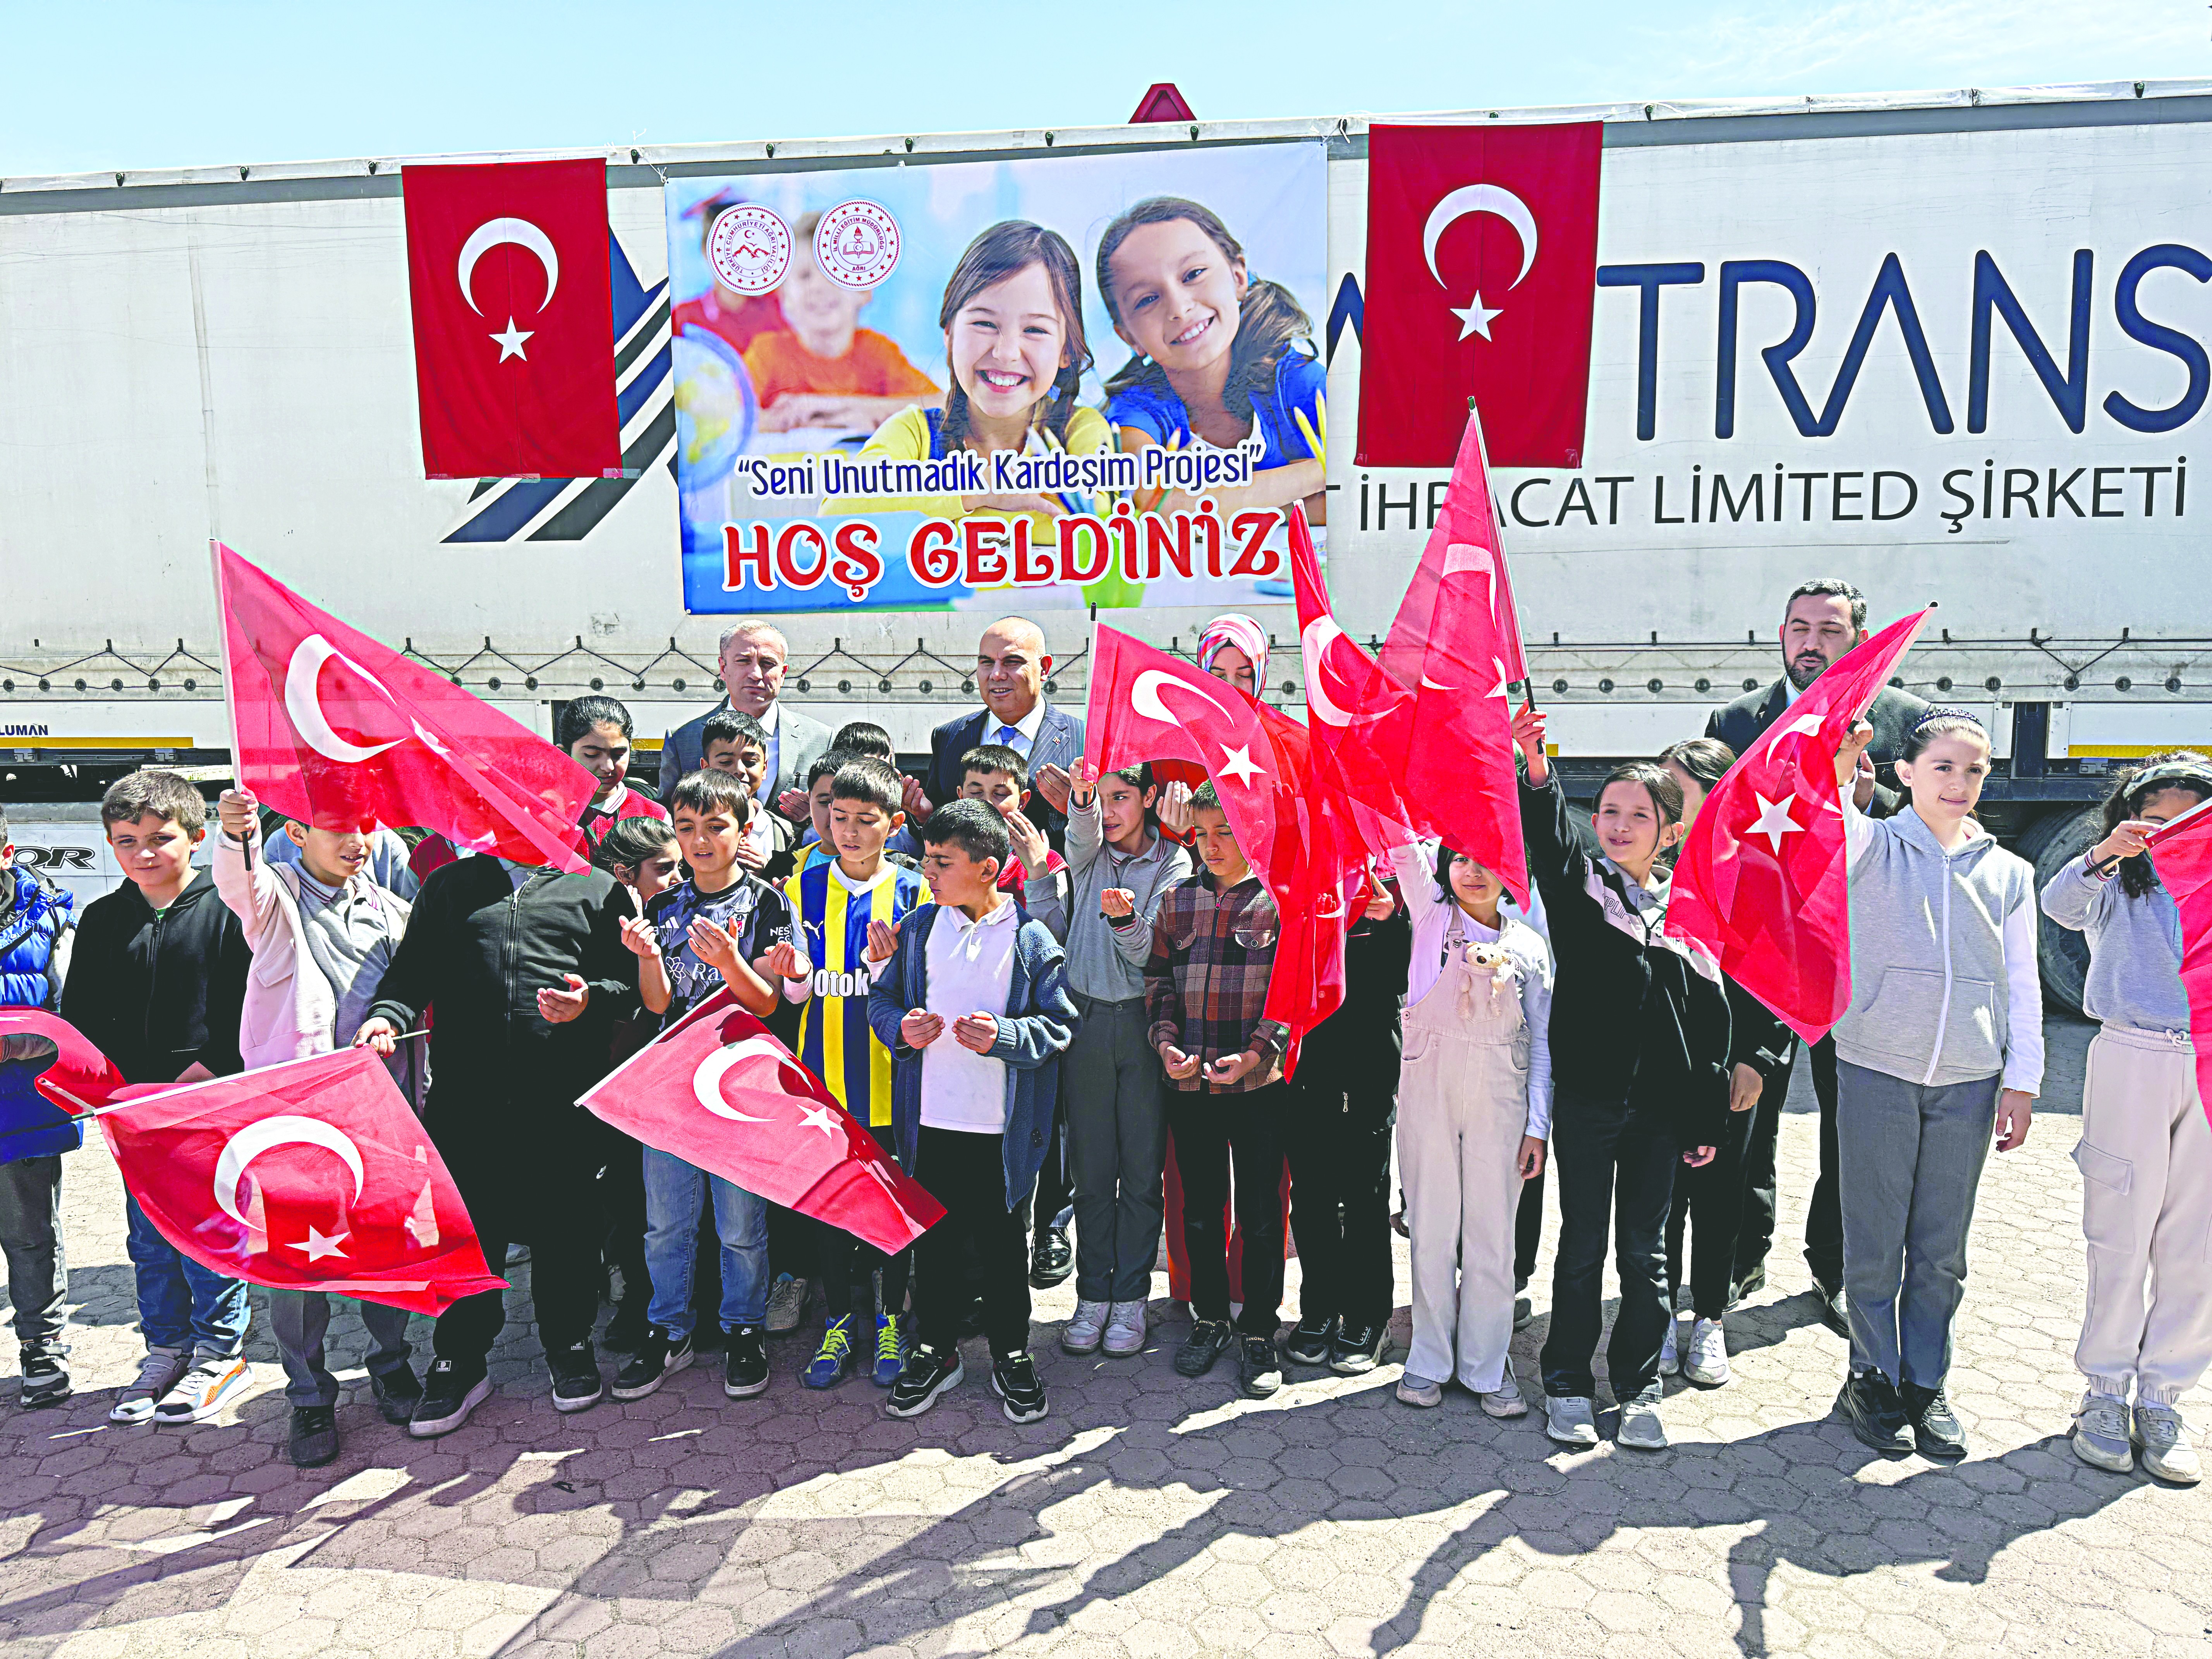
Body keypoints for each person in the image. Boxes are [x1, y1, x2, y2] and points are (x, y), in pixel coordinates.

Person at [1705, 579, 1932, 1333]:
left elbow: (1938, 836)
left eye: (1829, 630)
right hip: (1764, 951)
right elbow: (1714, 827)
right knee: (1749, 1108)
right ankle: (1738, 1255)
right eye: (1799, 627)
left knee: (1850, 1122)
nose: (1811, 642)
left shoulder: (1907, 722)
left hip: (1858, 958)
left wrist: (1872, 805)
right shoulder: (1738, 719)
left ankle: (1835, 1268)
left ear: (1858, 639)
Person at [355, 845, 640, 1436]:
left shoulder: (593, 888)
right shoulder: (448, 886)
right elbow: (411, 972)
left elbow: (628, 986)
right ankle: (460, 1358)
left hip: (562, 1096)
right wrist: (386, 1013)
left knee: (568, 1227)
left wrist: (589, 1001)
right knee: (469, 1231)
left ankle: (569, 1344)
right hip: (467, 1099)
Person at [1512, 709, 1728, 1452]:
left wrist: (1703, 1118)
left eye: (1640, 814)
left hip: (1661, 1115)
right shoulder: (1580, 893)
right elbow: (1548, 838)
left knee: (1646, 1252)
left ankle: (1637, 1385)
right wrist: (1537, 767)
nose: (1620, 824)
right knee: (1581, 1246)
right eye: (1608, 811)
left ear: (1670, 830)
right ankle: (1567, 1380)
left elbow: (1709, 1024)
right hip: (1587, 1101)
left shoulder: (1688, 909)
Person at [1829, 710, 2042, 1462]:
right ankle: (1871, 1376)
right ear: (1906, 773)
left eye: (1975, 769)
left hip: (1969, 1082)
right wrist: (1841, 766)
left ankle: (1926, 1383)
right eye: (1943, 766)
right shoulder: (1873, 846)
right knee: (1876, 1242)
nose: (1960, 782)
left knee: (1941, 1249)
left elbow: (2023, 983)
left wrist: (2021, 1079)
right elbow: (1829, 823)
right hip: (1877, 1068)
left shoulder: (2011, 873)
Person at [211, 786, 421, 1467]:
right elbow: (239, 883)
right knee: (297, 1264)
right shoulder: (276, 900)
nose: (358, 838)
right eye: (338, 827)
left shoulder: (394, 910)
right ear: (296, 834)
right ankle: (308, 1396)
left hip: (385, 1112)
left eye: (367, 824)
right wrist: (234, 833)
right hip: (297, 1119)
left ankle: (391, 1362)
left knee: (388, 1251)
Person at [872, 801, 1079, 1423]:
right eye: (928, 859)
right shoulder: (916, 930)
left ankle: (1013, 1351)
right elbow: (882, 1004)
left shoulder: (1029, 938)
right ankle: (936, 1350)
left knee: (1001, 1248)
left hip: (1000, 1134)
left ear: (988, 868)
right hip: (929, 1128)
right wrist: (902, 1028)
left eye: (942, 862)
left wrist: (1008, 1038)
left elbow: (1061, 1026)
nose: (928, 872)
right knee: (933, 1244)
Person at [60, 771, 255, 1426]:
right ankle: (166, 1346)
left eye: (160, 837)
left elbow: (250, 1001)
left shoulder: (230, 906)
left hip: (207, 1101)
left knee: (208, 1228)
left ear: (196, 836)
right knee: (149, 1236)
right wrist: (107, 1086)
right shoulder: (102, 918)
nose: (144, 852)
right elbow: (80, 1013)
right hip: (133, 1110)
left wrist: (211, 1067)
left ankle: (220, 1350)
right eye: (127, 840)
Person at [2043, 751, 2212, 1485]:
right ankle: (2104, 1392)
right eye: (2154, 816)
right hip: (2129, 1052)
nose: (2170, 830)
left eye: (2189, 817)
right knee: (2118, 1228)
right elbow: (2058, 905)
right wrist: (2104, 854)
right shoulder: (2115, 885)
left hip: (2203, 1056)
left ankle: (2164, 1396)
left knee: (2194, 1240)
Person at [613, 770, 790, 1406]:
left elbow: (768, 1002)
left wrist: (729, 961)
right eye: (686, 828)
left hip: (739, 1083)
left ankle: (744, 1326)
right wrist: (646, 955)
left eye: (715, 825)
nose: (700, 839)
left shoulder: (768, 902)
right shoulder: (662, 906)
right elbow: (657, 1002)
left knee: (741, 1222)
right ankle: (669, 1329)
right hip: (670, 1085)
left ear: (743, 830)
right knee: (666, 1221)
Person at [766, 758, 930, 1389]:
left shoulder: (915, 890)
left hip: (895, 1082)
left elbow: (926, 991)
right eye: (840, 818)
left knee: (890, 1207)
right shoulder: (801, 888)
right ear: (825, 817)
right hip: (823, 1083)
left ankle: (890, 1318)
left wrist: (894, 972)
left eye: (867, 821)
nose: (852, 832)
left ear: (893, 824)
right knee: (833, 1209)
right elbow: (795, 997)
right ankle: (838, 1321)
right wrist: (793, 973)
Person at [1021, 761, 1191, 1358]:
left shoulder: (1174, 863)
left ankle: (1129, 1300)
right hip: (1085, 1025)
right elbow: (1081, 834)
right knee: (1092, 1174)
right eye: (1104, 799)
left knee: (1141, 1175)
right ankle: (1091, 1297)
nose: (1114, 811)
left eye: (1125, 797)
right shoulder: (1088, 850)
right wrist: (1085, 800)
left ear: (1150, 798)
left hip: (1145, 1027)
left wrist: (1124, 922)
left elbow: (1151, 955)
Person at [832, 221, 1111, 564]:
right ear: (949, 333)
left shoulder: (1079, 430)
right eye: (985, 323)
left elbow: (1094, 525)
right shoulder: (914, 432)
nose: (1006, 352)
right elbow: (838, 517)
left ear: (1066, 350)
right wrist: (971, 493)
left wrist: (926, 516)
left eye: (1036, 329)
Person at [1384, 839, 1551, 1413]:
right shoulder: (1430, 917)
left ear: (1512, 871)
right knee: (1430, 1228)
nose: (1474, 872)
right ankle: (1428, 1360)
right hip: (1429, 1092)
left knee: (1492, 1237)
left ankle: (1486, 1364)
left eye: (1488, 859)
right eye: (1461, 859)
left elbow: (1544, 1043)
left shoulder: (1529, 946)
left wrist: (1537, 1127)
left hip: (1501, 1100)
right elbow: (1401, 846)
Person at [1146, 782, 1291, 1399]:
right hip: (1191, 1085)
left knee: (1261, 1216)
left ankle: (1258, 1328)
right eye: (1202, 834)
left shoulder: (1279, 903)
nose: (1212, 846)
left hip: (1259, 1088)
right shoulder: (1176, 902)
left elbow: (1292, 994)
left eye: (1226, 833)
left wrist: (1257, 1052)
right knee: (1201, 1213)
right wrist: (1166, 1043)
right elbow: (1158, 981)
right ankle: (1209, 1319)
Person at [1655, 738, 1788, 1391]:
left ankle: (1707, 1317)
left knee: (1718, 1197)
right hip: (1658, 1073)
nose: (1669, 803)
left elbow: (1784, 978)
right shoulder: (1646, 872)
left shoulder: (1758, 872)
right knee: (1658, 1198)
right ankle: (1653, 1319)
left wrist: (1758, 1057)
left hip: (1732, 1071)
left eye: (1679, 789)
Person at [1095, 197, 1327, 527]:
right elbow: (1157, 506)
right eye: (1147, 299)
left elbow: (1360, 488)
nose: (1179, 308)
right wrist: (1321, 471)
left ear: (1238, 277)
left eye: (1193, 274)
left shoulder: (1299, 384)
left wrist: (1220, 512)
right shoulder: (1136, 413)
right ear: (1129, 337)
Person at [1281, 872, 1411, 1378]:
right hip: (1308, 1056)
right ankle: (1319, 1310)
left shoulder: (1393, 875)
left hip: (1371, 1057)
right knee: (1310, 1194)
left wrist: (1392, 921)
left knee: (1364, 1192)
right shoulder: (1301, 865)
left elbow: (1407, 978)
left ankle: (1367, 1317)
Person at [589, 815, 684, 1353]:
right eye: (664, 868)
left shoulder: (685, 913)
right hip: (622, 1082)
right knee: (629, 1197)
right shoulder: (601, 920)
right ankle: (636, 1299)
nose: (678, 877)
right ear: (626, 875)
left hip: (677, 1078)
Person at [0, 807, 77, 1410]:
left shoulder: (50, 917)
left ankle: (41, 1351)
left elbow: (72, 1016)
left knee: (29, 1239)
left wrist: (16, 1043)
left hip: (22, 1112)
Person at [745, 210, 941, 433]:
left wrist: (852, 408)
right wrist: (776, 422)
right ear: (785, 297)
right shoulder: (767, 353)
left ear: (864, 290)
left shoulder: (878, 353)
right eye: (804, 276)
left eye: (833, 273)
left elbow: (942, 406)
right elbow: (729, 415)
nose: (818, 287)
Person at [926, 618, 1084, 845]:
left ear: (1045, 668)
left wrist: (1081, 810)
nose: (997, 674)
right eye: (987, 663)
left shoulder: (1084, 740)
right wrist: (922, 816)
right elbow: (936, 829)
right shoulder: (949, 737)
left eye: (1012, 662)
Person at [658, 622, 835, 809]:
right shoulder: (683, 739)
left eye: (768, 664)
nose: (756, 674)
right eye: (743, 661)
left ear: (783, 674)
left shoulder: (821, 740)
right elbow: (667, 813)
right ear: (723, 669)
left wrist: (812, 815)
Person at [563, 695, 669, 855]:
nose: (608, 767)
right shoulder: (545, 813)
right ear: (564, 754)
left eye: (619, 754)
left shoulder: (655, 816)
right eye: (592, 754)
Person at [697, 709, 793, 872]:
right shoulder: (689, 828)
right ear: (705, 768)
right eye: (726, 762)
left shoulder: (782, 832)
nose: (739, 770)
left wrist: (770, 872)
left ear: (765, 768)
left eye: (750, 762)